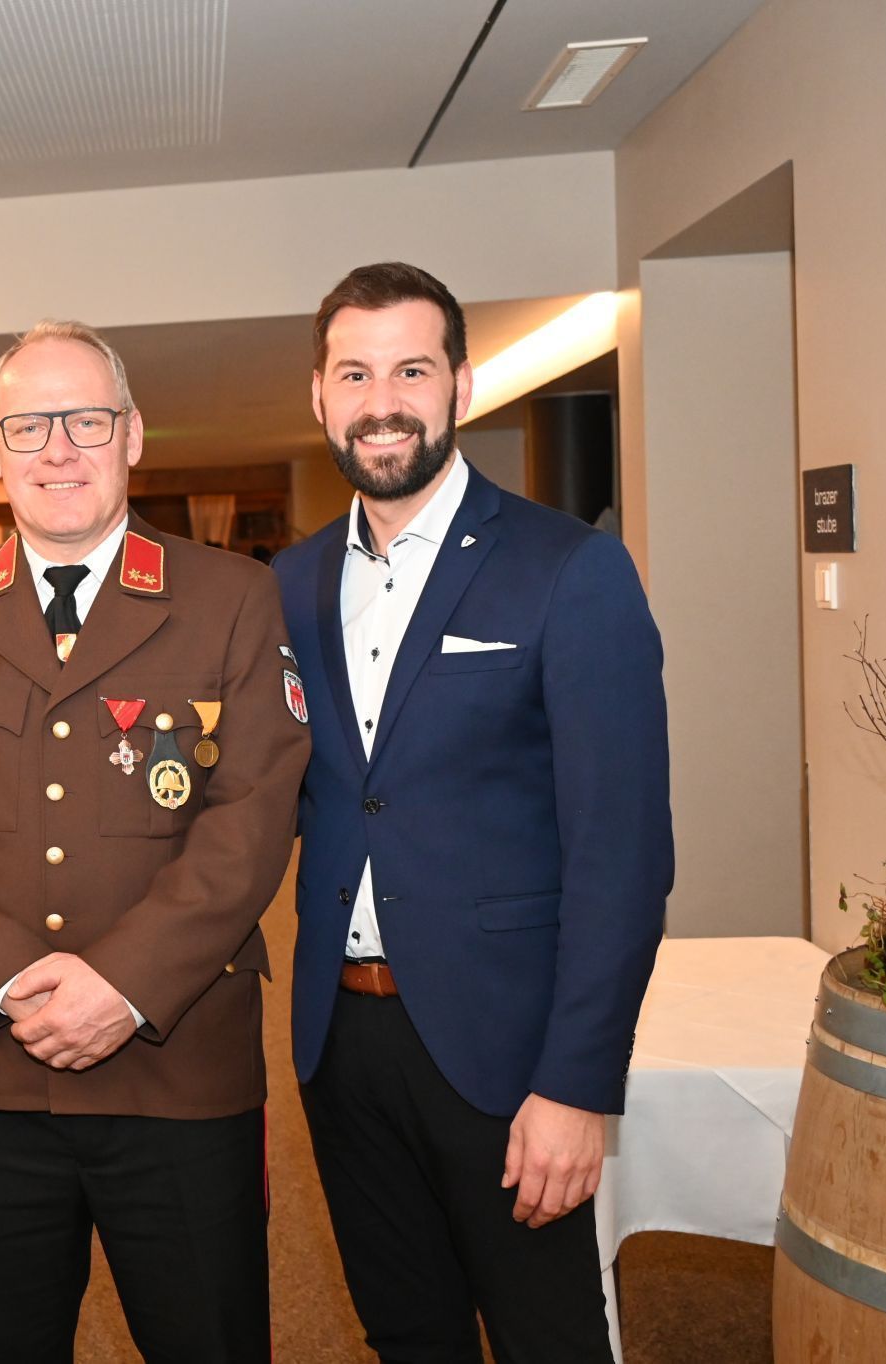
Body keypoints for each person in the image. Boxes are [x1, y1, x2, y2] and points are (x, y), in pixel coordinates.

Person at [0, 320, 309, 1362]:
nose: (56, 448)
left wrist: (121, 982)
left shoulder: (232, 597)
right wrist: (13, 976)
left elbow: (252, 812)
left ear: (133, 435)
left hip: (178, 1064)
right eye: (28, 424)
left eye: (85, 419)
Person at [272, 262, 672, 1362]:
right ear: (318, 395)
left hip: (506, 1048)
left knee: (545, 1337)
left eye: (409, 367)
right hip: (339, 1042)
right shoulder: (291, 583)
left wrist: (575, 1082)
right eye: (353, 372)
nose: (380, 398)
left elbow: (621, 856)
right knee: (406, 1330)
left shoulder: (568, 569)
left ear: (459, 382)